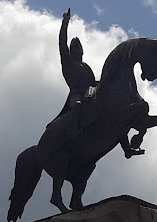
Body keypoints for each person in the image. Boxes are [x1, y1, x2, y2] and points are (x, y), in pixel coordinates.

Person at [56, 8, 143, 159]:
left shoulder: (86, 66)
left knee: (114, 113)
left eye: (79, 46)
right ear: (70, 51)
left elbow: (93, 82)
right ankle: (75, 131)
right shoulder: (68, 63)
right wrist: (65, 22)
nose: (78, 49)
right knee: (77, 105)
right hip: (77, 94)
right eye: (75, 47)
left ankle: (127, 148)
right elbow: (62, 42)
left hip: (91, 93)